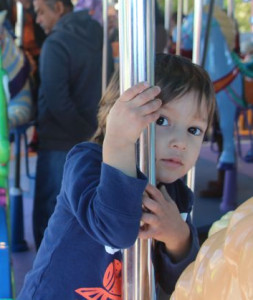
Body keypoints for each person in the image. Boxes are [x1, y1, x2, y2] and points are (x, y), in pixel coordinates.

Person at [17, 53, 216, 299]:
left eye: (194, 130)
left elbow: (184, 282)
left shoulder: (174, 196)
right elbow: (115, 230)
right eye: (162, 120)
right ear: (120, 116)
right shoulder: (88, 163)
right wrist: (119, 142)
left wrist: (178, 236)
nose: (181, 143)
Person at [32, 0, 110, 250]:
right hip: (96, 137)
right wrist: (92, 134)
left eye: (41, 11)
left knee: (50, 211)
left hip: (60, 140)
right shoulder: (100, 34)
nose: (38, 20)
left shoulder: (55, 44)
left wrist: (82, 133)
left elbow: (56, 100)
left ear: (59, 7)